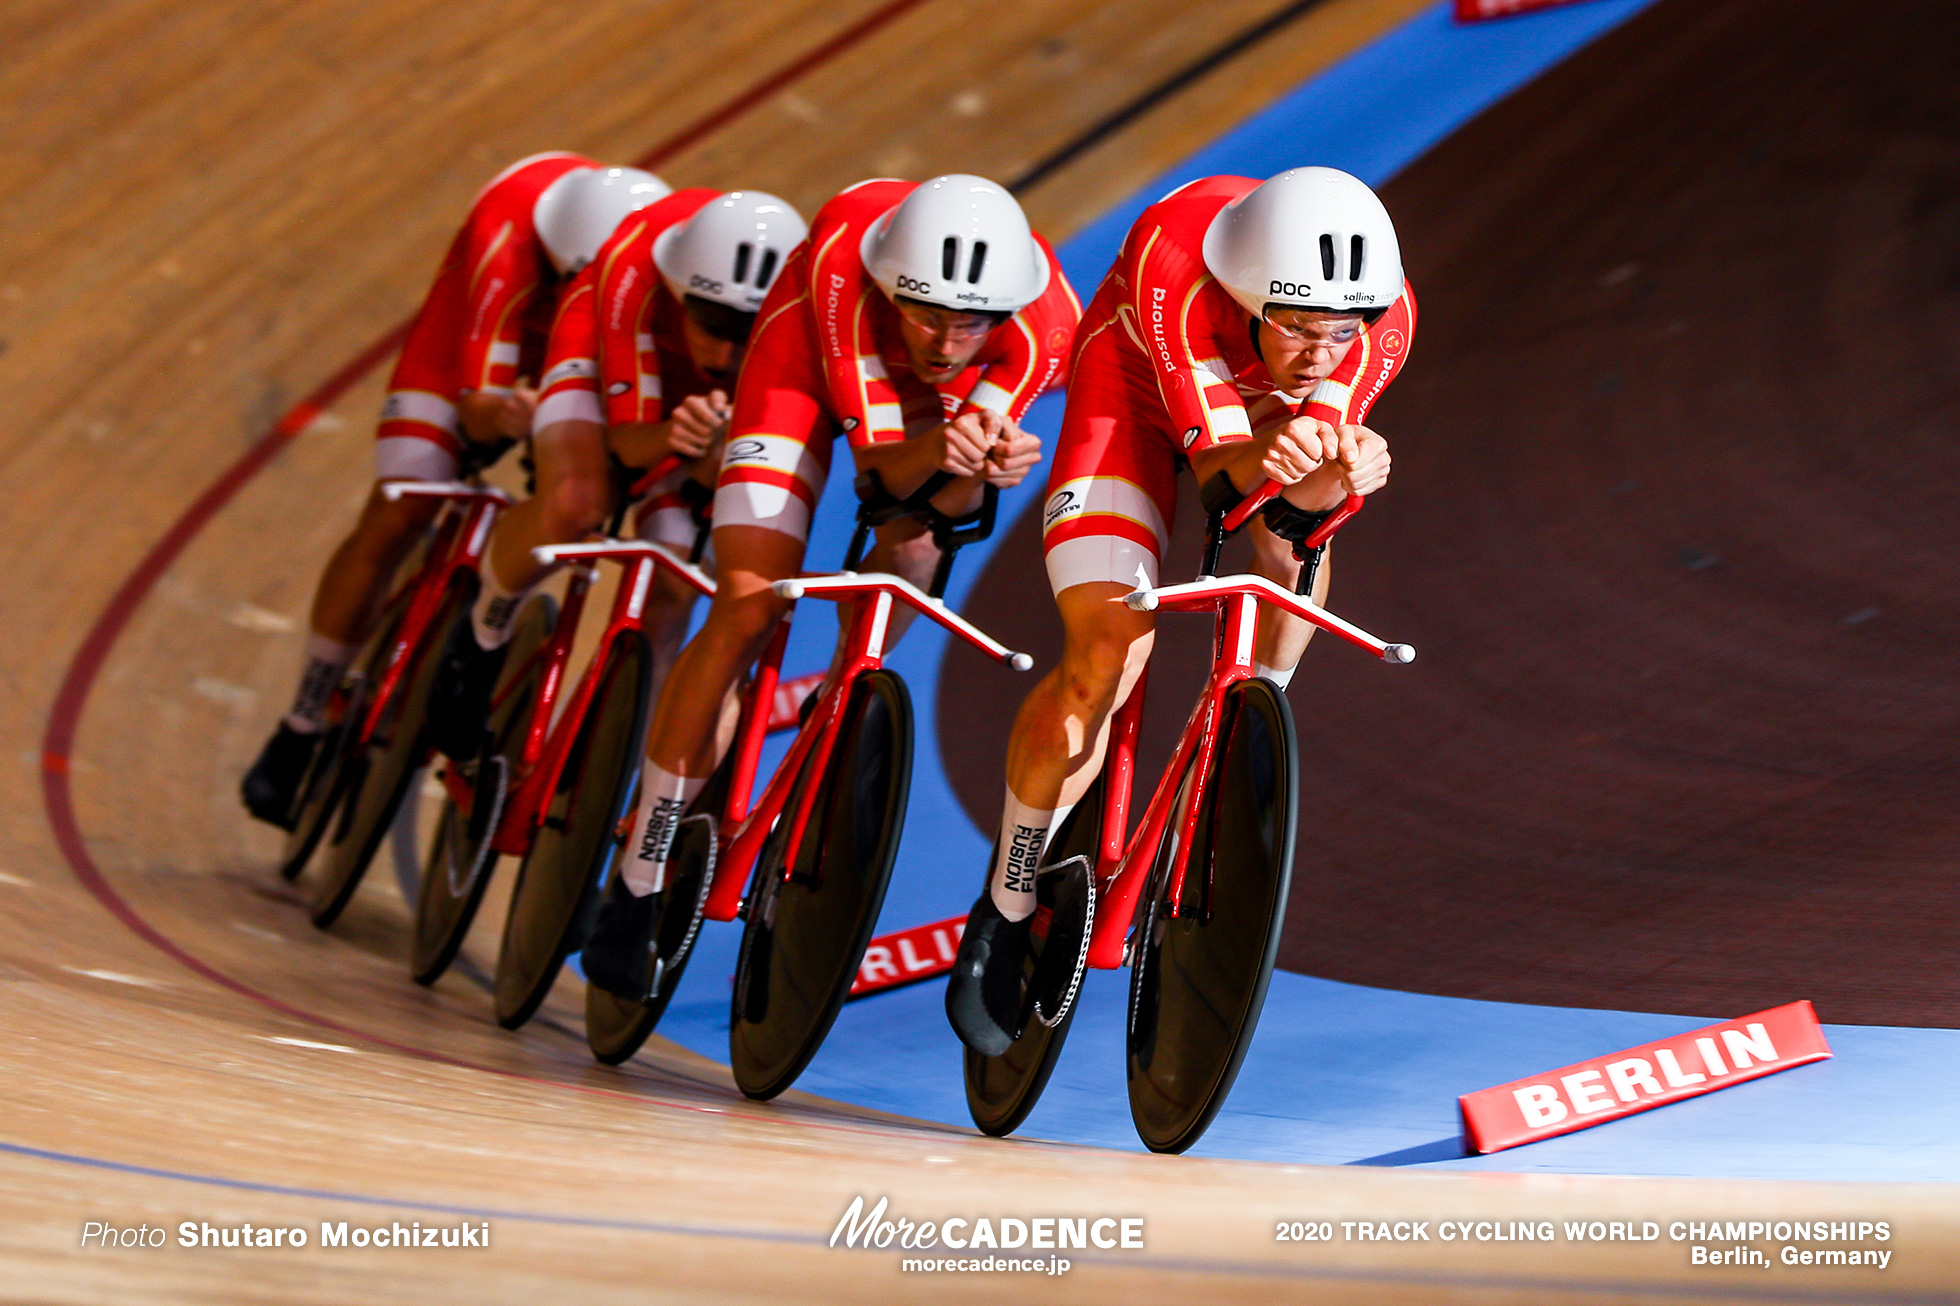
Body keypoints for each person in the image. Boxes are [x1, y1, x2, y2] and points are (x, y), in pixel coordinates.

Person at [946, 167, 1419, 1054]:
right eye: (1297, 330)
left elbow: (1294, 496)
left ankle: (1255, 717)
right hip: (1128, 394)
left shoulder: (1384, 315)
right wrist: (1281, 449)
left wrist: (1348, 467)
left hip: (1253, 418)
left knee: (1302, 526)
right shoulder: (1177, 263)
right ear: (1246, 296)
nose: (1320, 354)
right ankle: (1005, 903)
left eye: (1339, 334)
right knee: (1106, 654)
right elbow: (1221, 481)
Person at [581, 174, 1081, 998]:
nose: (946, 340)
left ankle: (847, 692)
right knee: (747, 602)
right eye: (926, 314)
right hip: (801, 366)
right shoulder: (849, 257)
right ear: (892, 285)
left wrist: (991, 459)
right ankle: (639, 872)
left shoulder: (1040, 328)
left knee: (918, 548)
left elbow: (940, 488)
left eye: (968, 324)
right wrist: (954, 447)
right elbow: (882, 468)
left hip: (922, 403)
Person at [240, 154, 670, 827]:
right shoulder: (509, 231)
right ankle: (301, 720)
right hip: (472, 351)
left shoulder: (645, 263)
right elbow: (476, 404)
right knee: (401, 506)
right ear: (561, 260)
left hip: (588, 358)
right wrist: (502, 413)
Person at [426, 189, 809, 761]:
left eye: (744, 329)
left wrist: (709, 451)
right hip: (604, 350)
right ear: (680, 289)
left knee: (679, 574)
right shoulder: (638, 267)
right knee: (578, 502)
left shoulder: (790, 319)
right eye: (710, 322)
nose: (725, 350)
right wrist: (674, 437)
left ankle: (614, 753)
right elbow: (625, 446)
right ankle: (481, 633)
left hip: (693, 401)